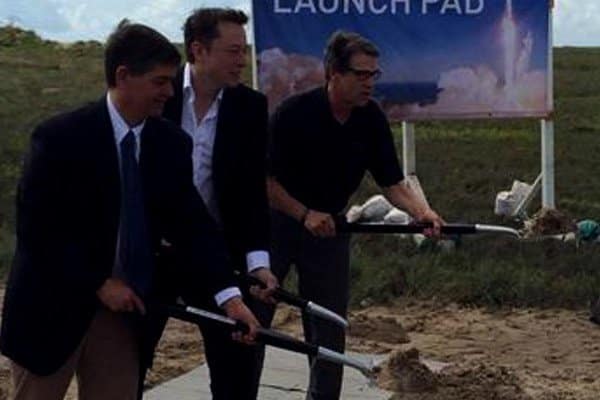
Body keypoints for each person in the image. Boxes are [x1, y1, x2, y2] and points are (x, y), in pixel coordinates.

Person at [0, 21, 258, 400]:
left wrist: (229, 297)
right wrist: (99, 283)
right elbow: (40, 231)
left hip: (122, 316)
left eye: (171, 82)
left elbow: (193, 225)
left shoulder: (169, 144)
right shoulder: (60, 138)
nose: (169, 92)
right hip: (52, 308)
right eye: (159, 82)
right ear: (123, 76)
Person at [257, 31, 445, 400]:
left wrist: (422, 211)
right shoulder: (293, 113)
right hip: (277, 223)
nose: (369, 83)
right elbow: (264, 182)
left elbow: (391, 182)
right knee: (255, 317)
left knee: (329, 326)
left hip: (330, 229)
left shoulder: (370, 118)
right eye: (360, 74)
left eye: (373, 75)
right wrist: (304, 214)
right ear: (333, 73)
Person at [138, 8, 278, 400]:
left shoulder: (249, 107)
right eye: (233, 51)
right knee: (131, 359)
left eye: (245, 50)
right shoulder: (155, 97)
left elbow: (252, 193)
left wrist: (258, 264)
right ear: (198, 50)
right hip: (152, 253)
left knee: (235, 363)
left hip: (217, 255)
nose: (242, 60)